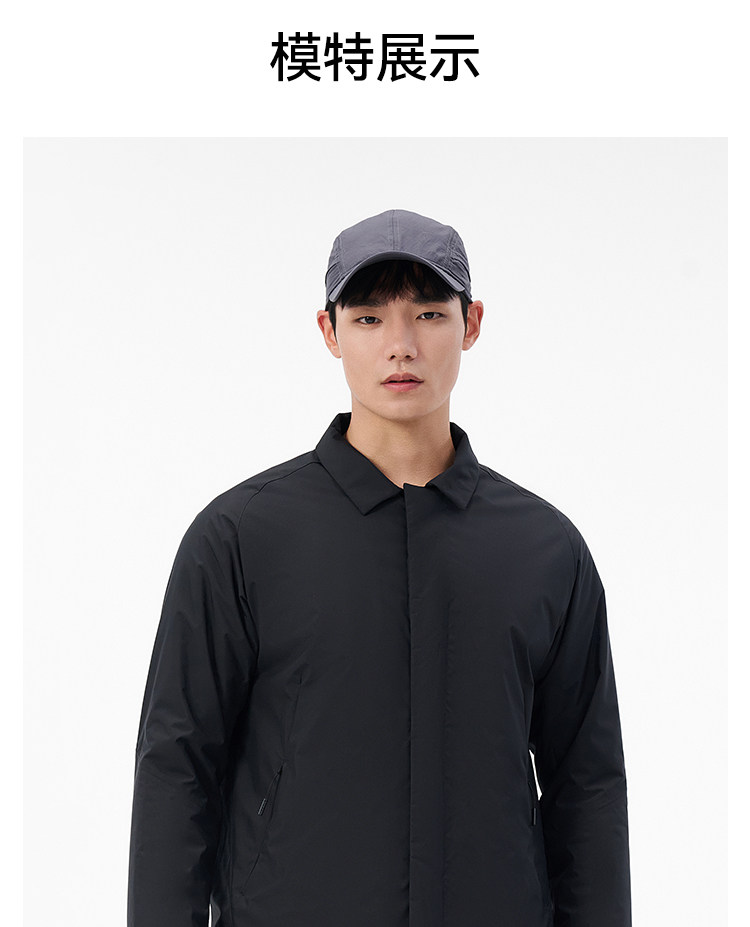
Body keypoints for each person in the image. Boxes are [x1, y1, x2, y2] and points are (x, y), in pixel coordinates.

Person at [127, 208, 632, 927]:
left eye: (429, 313)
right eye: (368, 318)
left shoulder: (545, 549)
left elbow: (588, 787)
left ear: (472, 323)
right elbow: (177, 770)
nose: (401, 345)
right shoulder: (241, 538)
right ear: (329, 332)